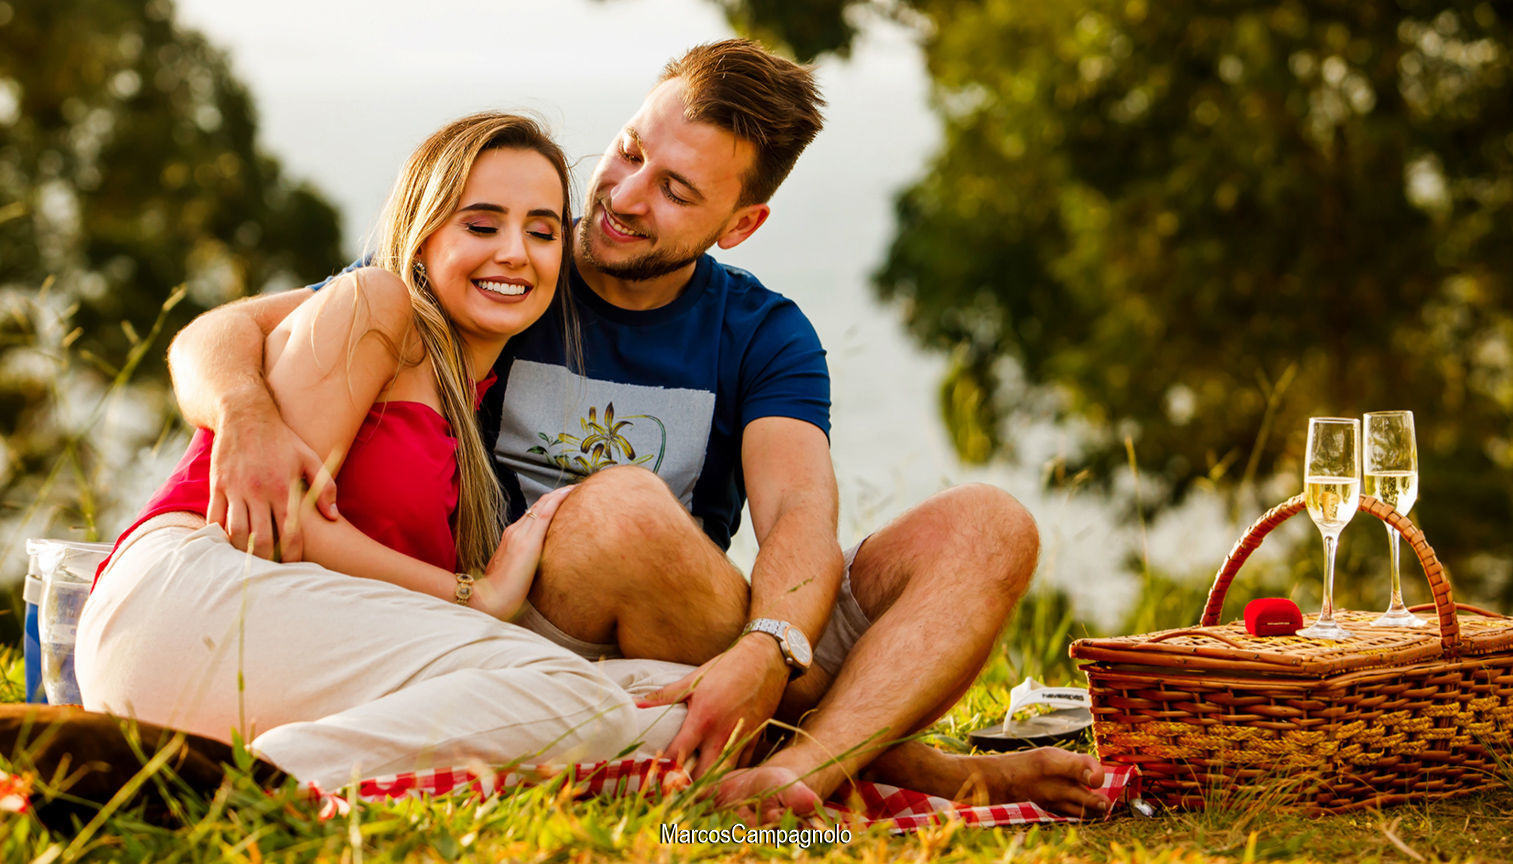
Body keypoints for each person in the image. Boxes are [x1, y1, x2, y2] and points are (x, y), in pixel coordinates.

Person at [166, 41, 1110, 818]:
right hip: (512, 625)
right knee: (620, 508)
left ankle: (799, 770)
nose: (622, 195)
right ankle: (903, 761)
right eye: (626, 152)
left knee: (988, 524)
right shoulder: (511, 256)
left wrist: (767, 648)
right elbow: (226, 331)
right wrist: (245, 411)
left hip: (691, 631)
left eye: (675, 191)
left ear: (740, 224)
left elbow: (797, 514)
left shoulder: (760, 330)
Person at [75, 114, 689, 788]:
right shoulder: (376, 304)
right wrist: (475, 596)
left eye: (542, 233)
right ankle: (257, 793)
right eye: (481, 226)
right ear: (422, 237)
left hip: (274, 650)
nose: (515, 253)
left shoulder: (465, 403)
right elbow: (279, 526)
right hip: (192, 598)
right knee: (579, 702)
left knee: (677, 705)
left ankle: (277, 772)